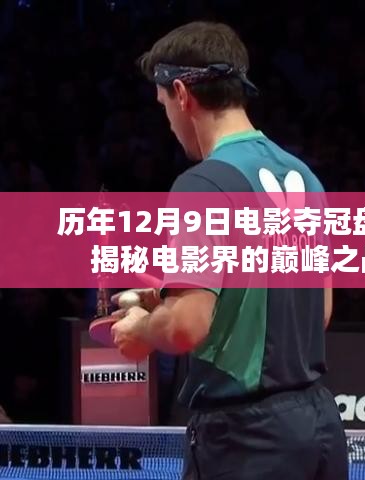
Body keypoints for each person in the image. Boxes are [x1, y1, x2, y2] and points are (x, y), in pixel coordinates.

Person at [109, 21, 348, 480]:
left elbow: (185, 327)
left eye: (164, 105)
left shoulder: (203, 184)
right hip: (318, 428)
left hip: (246, 441)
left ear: (182, 94)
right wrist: (182, 296)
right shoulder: (304, 176)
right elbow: (316, 311)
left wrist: (145, 330)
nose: (169, 123)